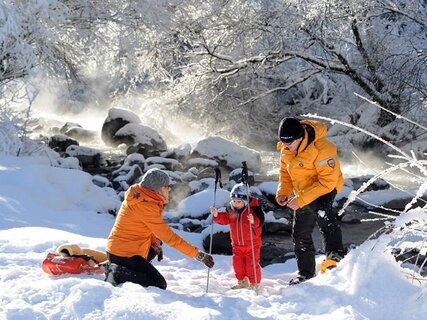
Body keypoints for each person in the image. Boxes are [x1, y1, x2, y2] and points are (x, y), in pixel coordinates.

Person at [106, 168, 214, 289]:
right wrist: (198, 255)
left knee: (157, 242)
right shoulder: (145, 206)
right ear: (158, 188)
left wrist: (153, 241)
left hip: (120, 249)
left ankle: (129, 268)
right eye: (166, 186)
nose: (169, 189)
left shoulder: (141, 196)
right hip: (124, 255)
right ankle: (117, 272)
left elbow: (143, 225)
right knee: (158, 284)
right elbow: (171, 238)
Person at [275, 117, 346, 285]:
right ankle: (305, 273)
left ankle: (334, 255)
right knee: (300, 231)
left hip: (326, 187)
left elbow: (327, 182)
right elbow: (285, 174)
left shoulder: (323, 149)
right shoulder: (286, 149)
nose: (285, 147)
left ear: (300, 138)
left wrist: (300, 200)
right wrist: (283, 192)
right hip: (303, 190)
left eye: (289, 143)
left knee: (323, 211)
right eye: (283, 143)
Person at [210, 183, 264, 289]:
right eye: (234, 201)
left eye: (239, 201)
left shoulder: (253, 210)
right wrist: (216, 215)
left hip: (252, 245)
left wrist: (253, 221)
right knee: (238, 265)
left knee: (251, 265)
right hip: (237, 245)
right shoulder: (231, 211)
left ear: (245, 201)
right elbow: (225, 219)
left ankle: (255, 283)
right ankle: (242, 281)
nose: (236, 204)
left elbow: (260, 222)